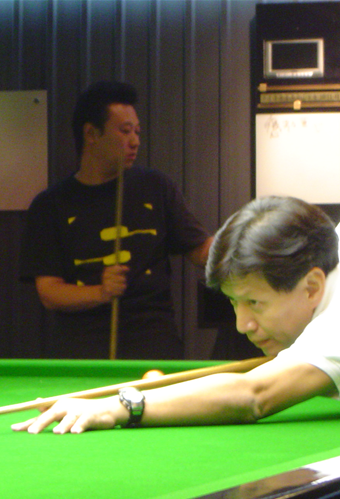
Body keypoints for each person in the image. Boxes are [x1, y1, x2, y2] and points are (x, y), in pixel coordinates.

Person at [12, 153, 340, 434]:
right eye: (235, 303)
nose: (243, 325)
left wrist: (124, 405)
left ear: (312, 286)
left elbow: (254, 396)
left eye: (255, 303)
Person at [20, 81, 213, 359]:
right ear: (91, 133)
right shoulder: (50, 205)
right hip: (82, 345)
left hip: (154, 341)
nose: (135, 141)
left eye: (137, 131)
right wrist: (101, 292)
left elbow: (199, 250)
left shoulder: (156, 187)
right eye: (125, 131)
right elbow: (49, 292)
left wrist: (236, 246)